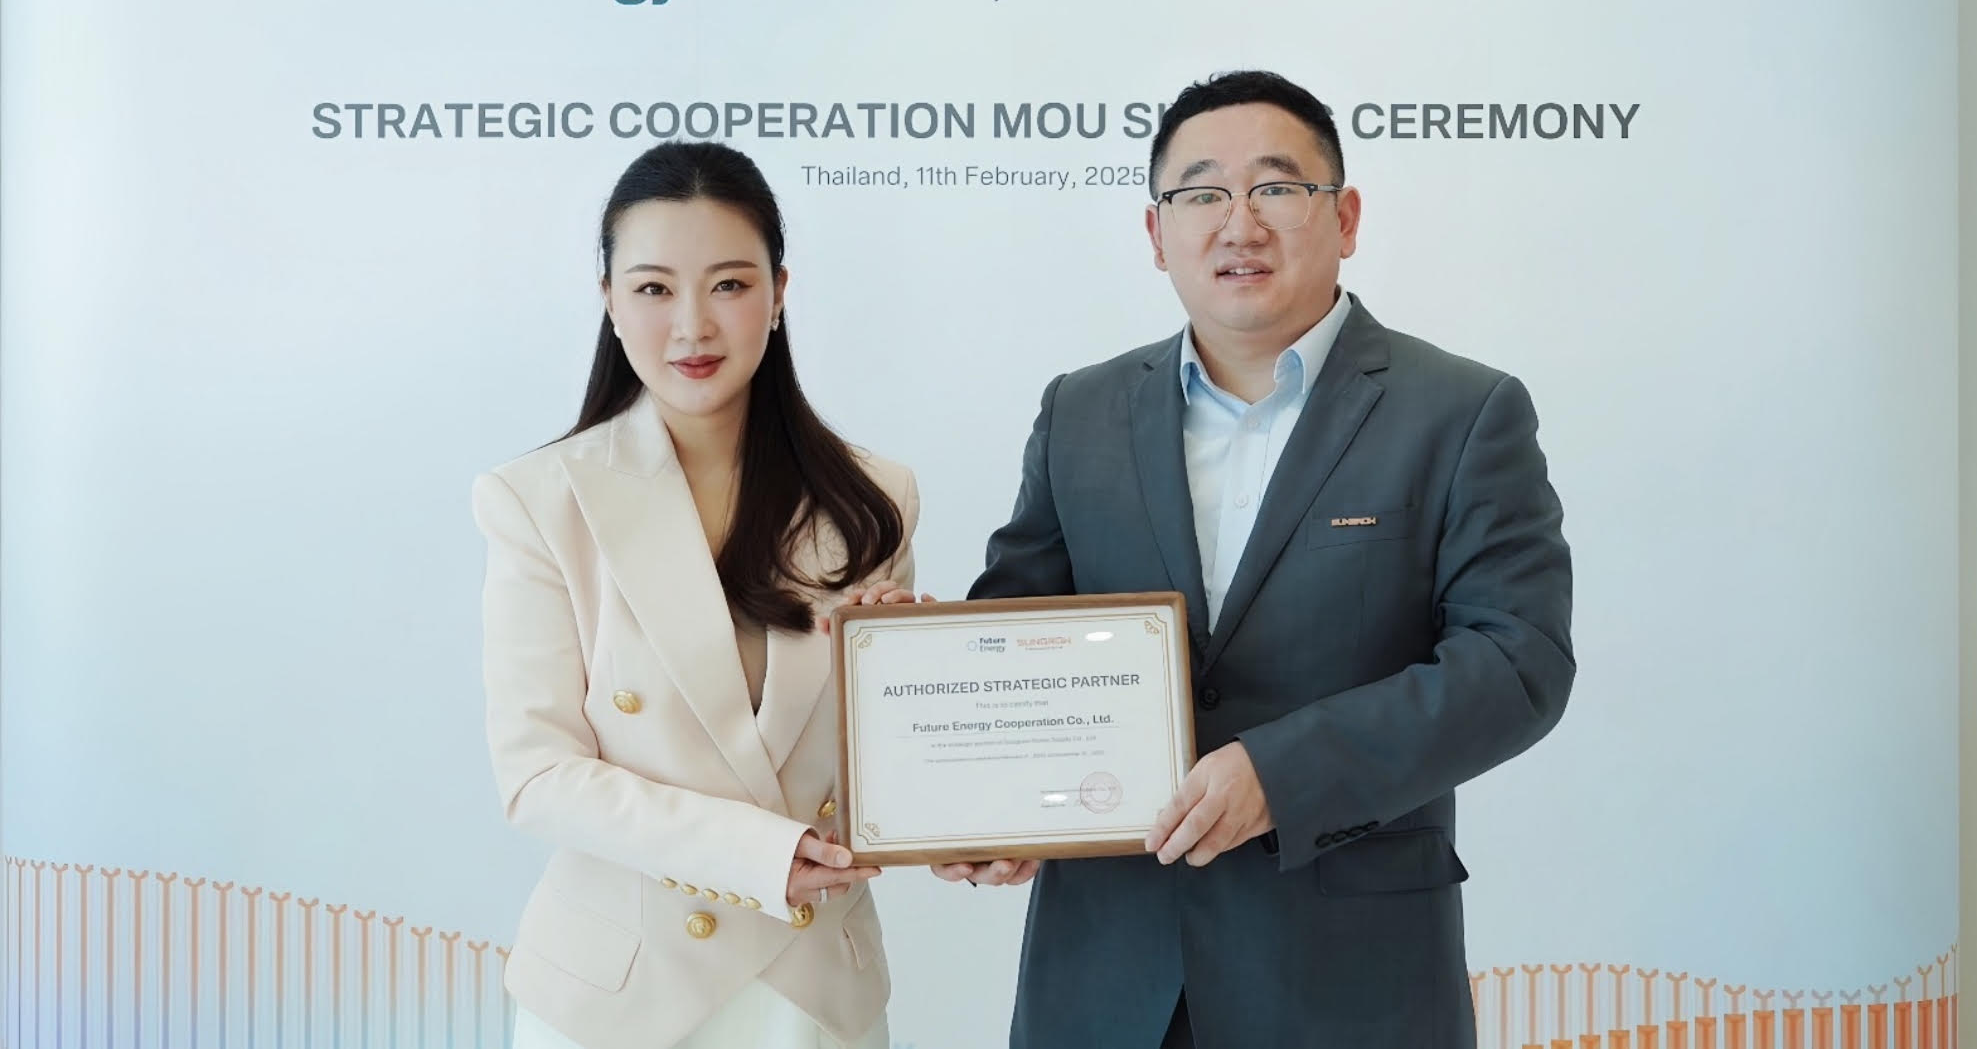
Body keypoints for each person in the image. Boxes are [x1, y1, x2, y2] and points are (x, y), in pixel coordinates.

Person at [939, 71, 1576, 1048]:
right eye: (1200, 194)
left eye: (1276, 188)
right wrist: (982, 801)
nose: (1239, 224)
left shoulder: (1460, 411)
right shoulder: (1082, 412)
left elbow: (1516, 662)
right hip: (1106, 976)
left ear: (1344, 218)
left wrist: (1282, 773)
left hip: (1345, 979)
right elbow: (1021, 633)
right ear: (1156, 234)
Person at [472, 140, 919, 1049]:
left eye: (728, 285)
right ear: (608, 300)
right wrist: (755, 855)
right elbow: (538, 775)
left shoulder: (873, 498)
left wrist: (910, 690)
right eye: (653, 288)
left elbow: (878, 773)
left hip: (813, 987)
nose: (692, 326)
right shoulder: (540, 500)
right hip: (620, 996)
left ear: (778, 293)